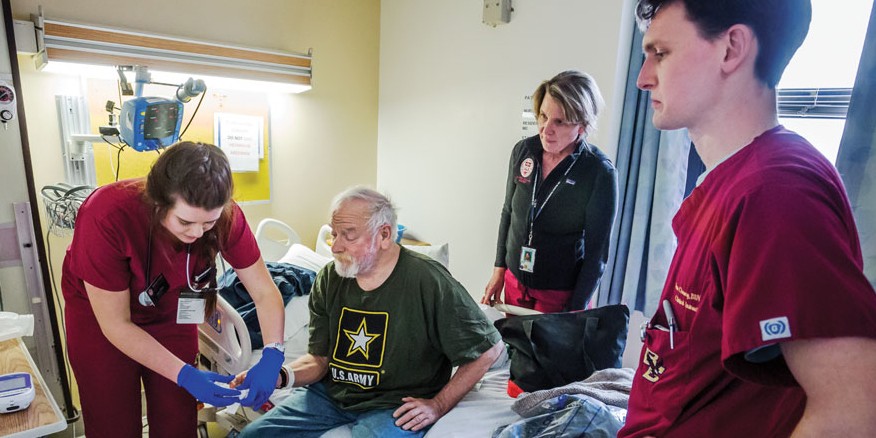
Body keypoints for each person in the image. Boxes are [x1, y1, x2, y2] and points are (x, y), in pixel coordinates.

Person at [620, 1, 876, 437]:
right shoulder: (730, 183)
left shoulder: (776, 195)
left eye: (660, 53)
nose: (644, 78)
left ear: (731, 49)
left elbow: (853, 411)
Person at [236, 186, 503, 437]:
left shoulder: (427, 280)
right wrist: (278, 376)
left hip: (395, 404)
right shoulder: (329, 278)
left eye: (348, 234)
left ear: (384, 235)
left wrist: (438, 405)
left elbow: (488, 349)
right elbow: (319, 359)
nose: (335, 246)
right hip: (330, 396)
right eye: (334, 234)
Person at [62, 142, 286, 437]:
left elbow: (264, 292)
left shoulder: (227, 218)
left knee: (177, 421)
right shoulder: (107, 214)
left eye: (209, 222)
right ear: (158, 202)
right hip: (101, 321)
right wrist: (184, 374)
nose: (196, 233)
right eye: (185, 221)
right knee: (112, 423)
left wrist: (273, 354)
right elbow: (115, 324)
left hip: (170, 313)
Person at [482, 70, 618, 313]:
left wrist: (575, 309)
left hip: (558, 294)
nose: (546, 129)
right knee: (511, 348)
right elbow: (508, 212)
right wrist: (498, 270)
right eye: (543, 116)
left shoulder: (599, 172)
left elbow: (597, 255)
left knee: (547, 351)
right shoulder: (523, 150)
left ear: (582, 126)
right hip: (514, 282)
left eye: (560, 121)